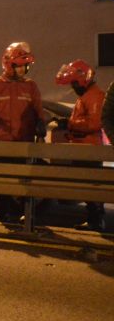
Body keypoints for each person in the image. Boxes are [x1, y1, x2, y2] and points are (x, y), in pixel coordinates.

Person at [0, 42, 46, 224]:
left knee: (22, 180)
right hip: (1, 142)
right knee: (1, 179)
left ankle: (21, 213)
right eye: (21, 65)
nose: (24, 69)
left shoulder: (30, 86)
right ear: (10, 64)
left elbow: (39, 109)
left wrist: (41, 123)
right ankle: (1, 212)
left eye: (26, 66)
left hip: (23, 142)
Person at [55, 60, 107, 231]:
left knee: (90, 186)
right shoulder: (87, 96)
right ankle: (94, 220)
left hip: (90, 149)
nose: (73, 86)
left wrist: (71, 124)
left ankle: (96, 220)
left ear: (83, 79)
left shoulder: (94, 96)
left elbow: (94, 123)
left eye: (74, 82)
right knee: (87, 186)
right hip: (84, 147)